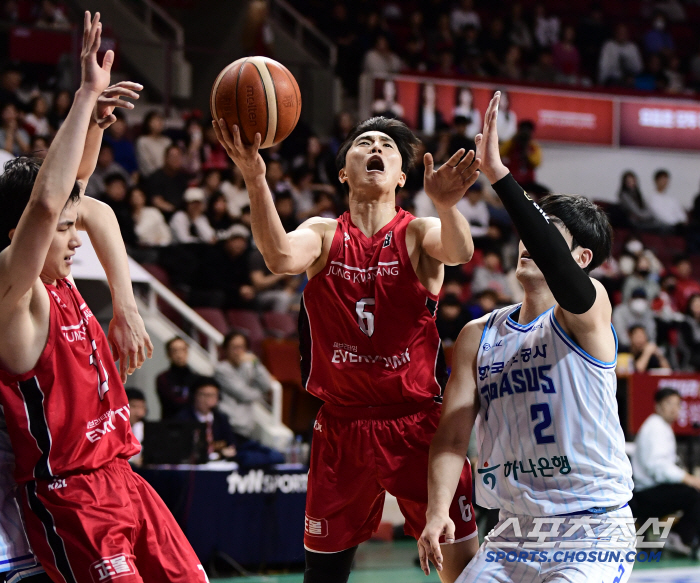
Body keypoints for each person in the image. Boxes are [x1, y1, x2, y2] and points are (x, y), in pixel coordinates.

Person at [213, 103, 482, 582]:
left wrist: (445, 203)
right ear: (343, 173)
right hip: (342, 428)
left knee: (461, 575)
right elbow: (278, 256)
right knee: (323, 577)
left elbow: (460, 251)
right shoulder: (322, 232)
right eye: (364, 143)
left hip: (417, 425)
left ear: (402, 177)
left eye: (388, 147)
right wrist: (256, 177)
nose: (376, 147)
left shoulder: (419, 233)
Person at [0, 12, 206, 583]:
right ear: (20, 237)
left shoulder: (57, 279)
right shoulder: (15, 296)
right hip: (68, 495)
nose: (74, 237)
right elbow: (47, 206)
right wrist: (83, 98)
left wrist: (92, 126)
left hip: (122, 477)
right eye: (64, 230)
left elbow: (76, 199)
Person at [419, 92, 635, 583]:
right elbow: (453, 435)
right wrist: (437, 511)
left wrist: (499, 175)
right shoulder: (479, 334)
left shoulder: (591, 308)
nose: (527, 239)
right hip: (514, 531)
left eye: (545, 230)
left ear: (580, 258)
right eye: (529, 229)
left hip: (592, 527)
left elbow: (557, 264)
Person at [630, 388, 700, 555]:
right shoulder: (655, 427)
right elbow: (658, 467)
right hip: (645, 494)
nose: (674, 408)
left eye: (677, 404)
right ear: (658, 406)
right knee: (694, 495)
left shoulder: (663, 427)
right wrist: (689, 479)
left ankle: (679, 536)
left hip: (652, 491)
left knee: (692, 492)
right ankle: (680, 537)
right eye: (669, 403)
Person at [214, 332, 274, 438]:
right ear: (226, 349)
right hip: (229, 426)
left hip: (246, 427)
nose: (238, 352)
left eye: (241, 347)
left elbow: (266, 384)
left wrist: (256, 363)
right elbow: (244, 395)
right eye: (234, 347)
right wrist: (261, 394)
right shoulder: (221, 370)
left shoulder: (249, 365)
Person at [156, 336, 199, 419]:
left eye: (183, 350)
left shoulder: (196, 379)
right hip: (170, 423)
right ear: (168, 354)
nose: (179, 355)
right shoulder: (163, 378)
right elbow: (170, 402)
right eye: (175, 351)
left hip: (193, 423)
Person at [126, 388, 147, 467]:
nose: (139, 413)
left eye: (142, 407)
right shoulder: (110, 430)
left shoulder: (144, 428)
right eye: (134, 407)